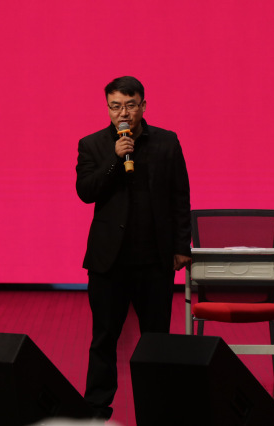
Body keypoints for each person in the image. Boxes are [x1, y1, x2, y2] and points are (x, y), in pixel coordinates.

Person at [75, 76, 191, 420]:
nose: (123, 113)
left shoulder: (167, 142)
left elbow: (180, 197)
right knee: (104, 338)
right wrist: (115, 160)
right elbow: (86, 192)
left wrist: (181, 245)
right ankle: (96, 410)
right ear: (108, 108)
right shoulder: (92, 144)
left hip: (154, 259)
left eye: (129, 105)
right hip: (108, 261)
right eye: (115, 106)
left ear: (143, 105)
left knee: (156, 339)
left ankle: (158, 408)